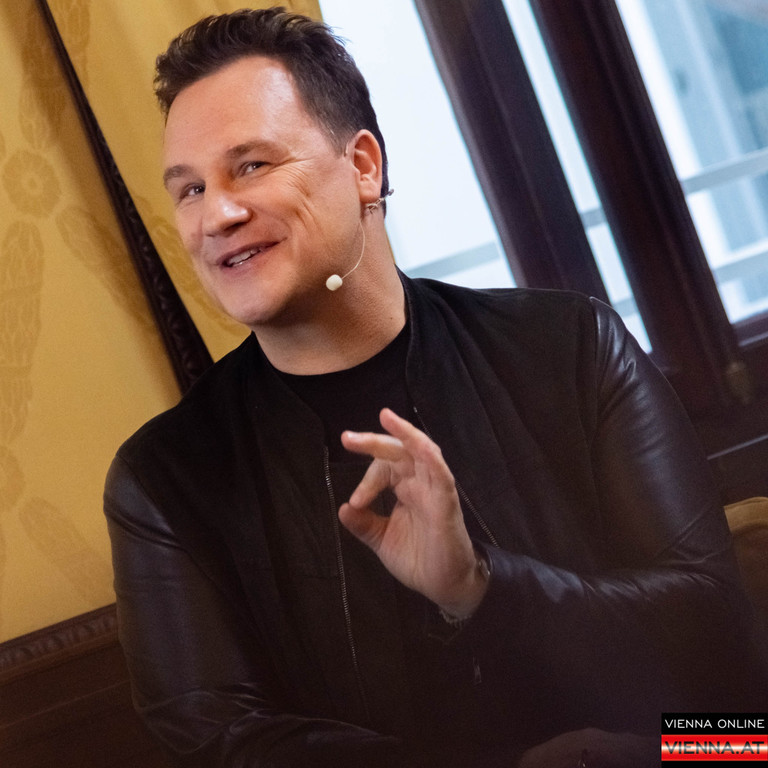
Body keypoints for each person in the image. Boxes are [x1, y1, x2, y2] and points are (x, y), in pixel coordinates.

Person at [104, 7, 767, 768]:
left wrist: (479, 587)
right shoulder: (163, 479)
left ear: (363, 166)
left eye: (251, 166)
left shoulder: (572, 345)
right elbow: (221, 743)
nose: (216, 214)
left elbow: (719, 654)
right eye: (189, 189)